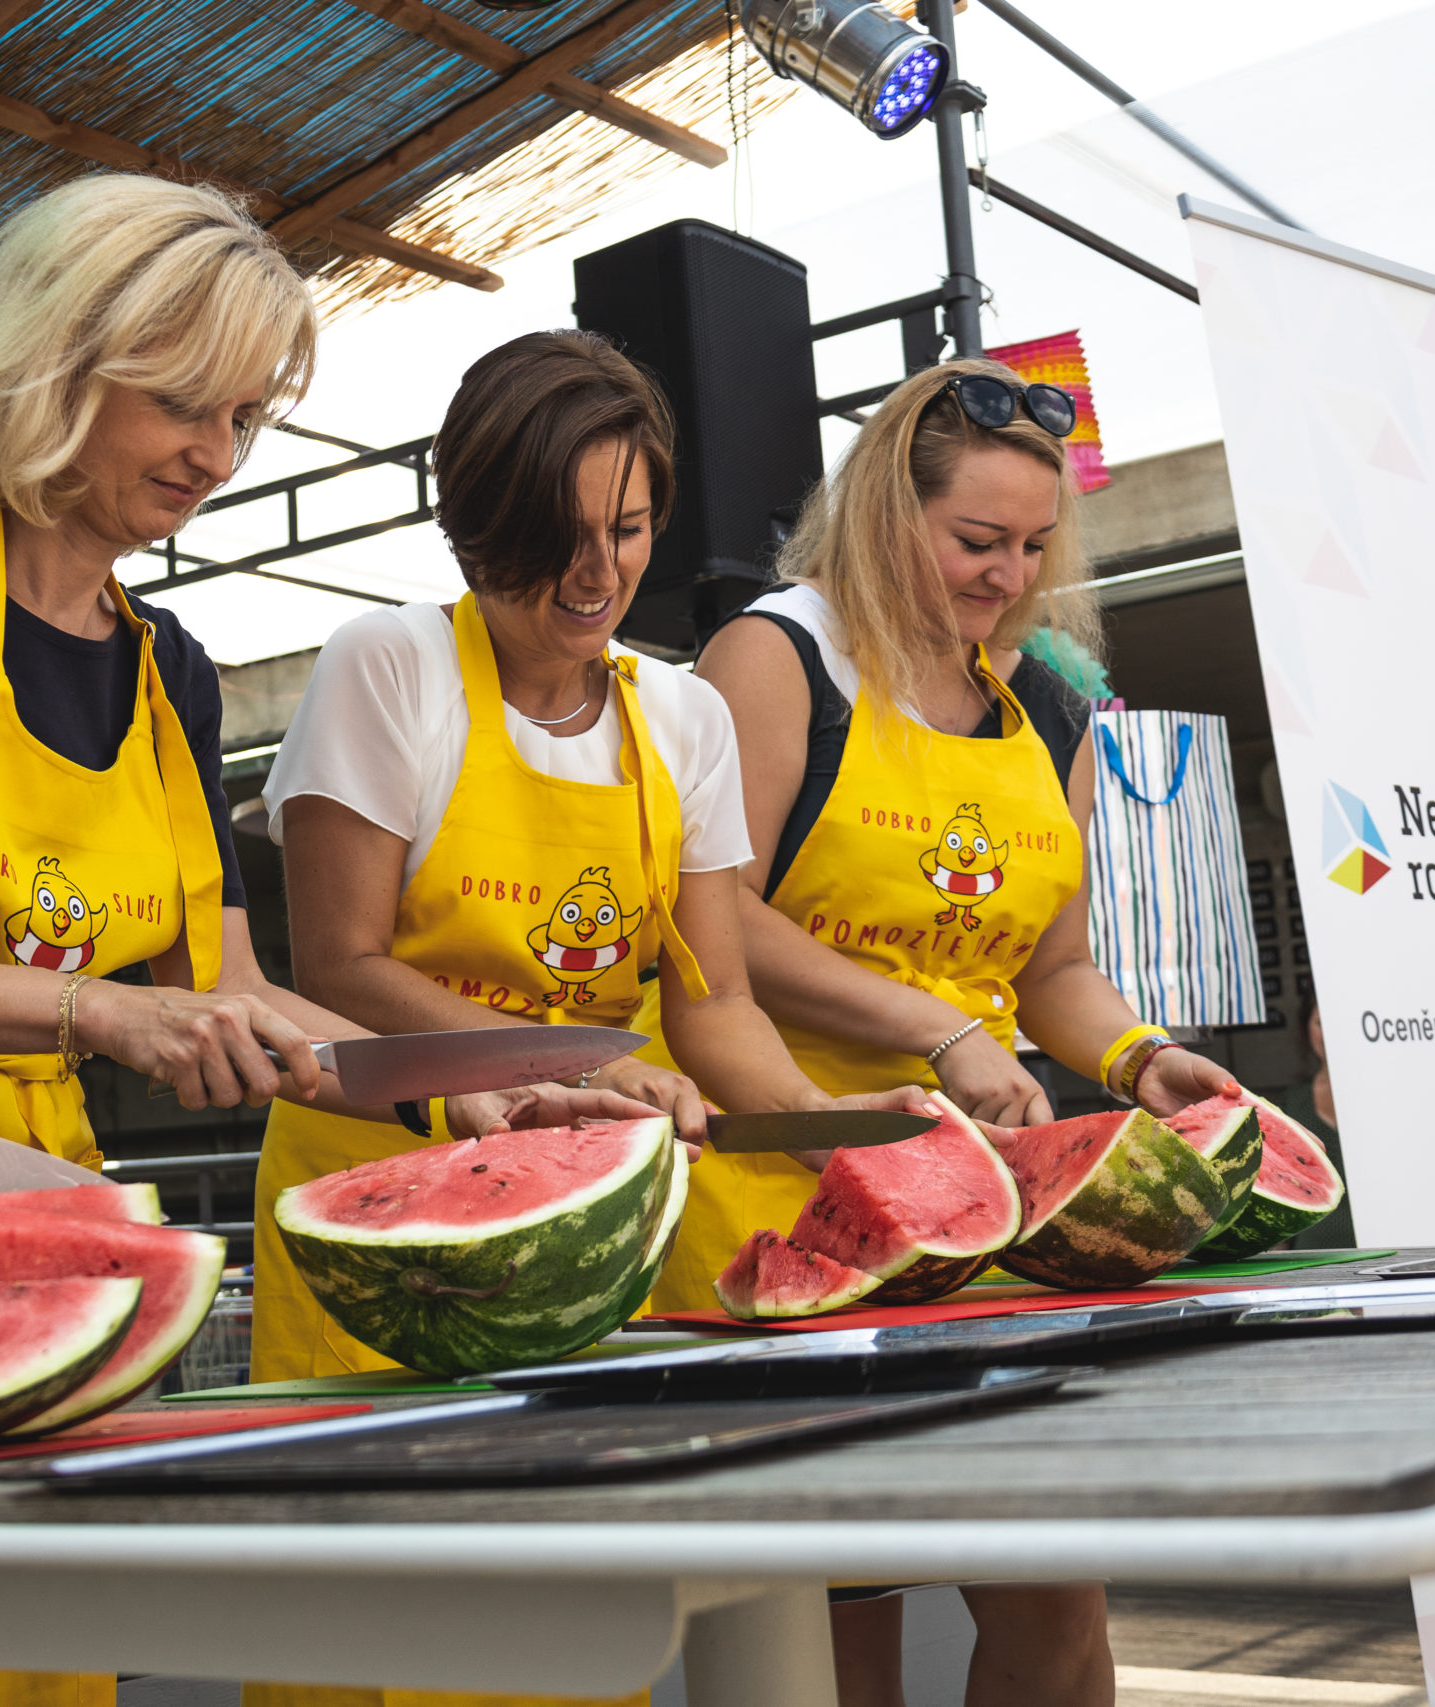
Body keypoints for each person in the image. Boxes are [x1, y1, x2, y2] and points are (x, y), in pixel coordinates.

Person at [0, 179, 653, 1707]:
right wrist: (89, 1013)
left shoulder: (178, 669)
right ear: (53, 361)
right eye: (178, 402)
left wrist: (453, 1092)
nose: (214, 455)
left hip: (44, 1232)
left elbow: (223, 994)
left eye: (242, 415)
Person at [685, 357, 1240, 1707]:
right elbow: (713, 922)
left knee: (1056, 1602)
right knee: (832, 1638)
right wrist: (933, 1028)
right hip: (793, 1171)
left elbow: (1054, 963)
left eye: (1035, 546)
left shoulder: (1042, 696)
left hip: (987, 1189)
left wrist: (1136, 1056)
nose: (1008, 574)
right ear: (887, 515)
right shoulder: (775, 655)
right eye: (976, 540)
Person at [253, 329, 931, 1371]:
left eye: (626, 528)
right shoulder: (390, 665)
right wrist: (569, 1066)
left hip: (587, 1216)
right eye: (556, 535)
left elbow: (711, 1002)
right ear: (474, 527)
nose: (594, 572)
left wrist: (809, 1117)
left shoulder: (684, 718)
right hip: (385, 1204)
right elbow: (341, 966)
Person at [1279, 991, 1358, 1248]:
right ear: (1306, 1029)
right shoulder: (1291, 1104)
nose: (1330, 1034)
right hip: (1312, 1260)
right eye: (1321, 1023)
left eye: (1338, 1023)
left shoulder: (1385, 1097)